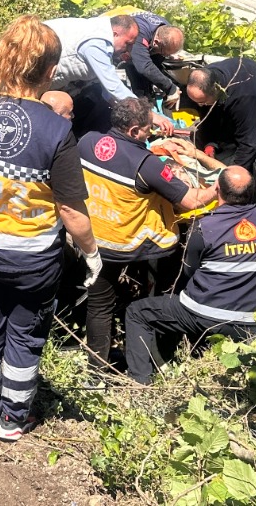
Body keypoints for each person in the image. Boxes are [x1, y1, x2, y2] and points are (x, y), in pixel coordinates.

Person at [0, 16, 100, 442]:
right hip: (32, 259)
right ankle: (13, 420)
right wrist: (91, 254)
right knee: (25, 337)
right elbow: (71, 210)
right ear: (50, 71)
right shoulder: (56, 129)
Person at [77, 97, 218, 370]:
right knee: (150, 305)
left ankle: (95, 371)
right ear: (134, 132)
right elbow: (191, 200)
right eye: (147, 128)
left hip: (96, 237)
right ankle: (149, 362)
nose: (150, 133)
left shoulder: (87, 141)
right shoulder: (146, 163)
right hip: (137, 243)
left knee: (99, 306)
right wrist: (217, 187)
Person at [122, 166, 256, 384]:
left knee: (138, 313)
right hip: (249, 321)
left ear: (216, 189)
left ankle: (140, 381)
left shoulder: (204, 227)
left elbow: (188, 271)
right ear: (251, 192)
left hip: (205, 315)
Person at [185, 57, 256, 206]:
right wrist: (210, 144)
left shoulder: (241, 97)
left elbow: (248, 145)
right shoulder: (208, 79)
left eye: (203, 102)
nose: (200, 105)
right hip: (249, 97)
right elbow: (208, 116)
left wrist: (227, 182)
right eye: (197, 102)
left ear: (216, 89)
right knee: (223, 145)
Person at [45, 14, 172, 136]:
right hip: (36, 75)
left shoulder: (103, 36)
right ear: (115, 34)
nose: (129, 50)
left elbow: (106, 87)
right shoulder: (96, 43)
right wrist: (148, 114)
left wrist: (119, 105)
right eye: (128, 44)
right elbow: (113, 85)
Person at [107, 8, 185, 104]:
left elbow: (156, 59)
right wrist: (170, 87)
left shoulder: (166, 30)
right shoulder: (139, 34)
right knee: (131, 63)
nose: (165, 56)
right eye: (164, 52)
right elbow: (144, 66)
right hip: (115, 35)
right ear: (156, 42)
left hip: (143, 35)